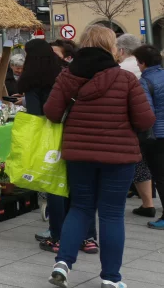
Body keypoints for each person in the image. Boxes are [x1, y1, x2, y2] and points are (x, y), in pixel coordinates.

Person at [44, 24, 154, 288]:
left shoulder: (67, 77)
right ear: (111, 48)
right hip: (119, 157)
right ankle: (111, 278)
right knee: (112, 215)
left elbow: (51, 112)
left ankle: (63, 263)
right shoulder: (126, 79)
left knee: (80, 208)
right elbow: (145, 119)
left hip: (79, 155)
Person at [17, 39, 97, 253]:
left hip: (51, 139)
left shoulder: (32, 79)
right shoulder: (66, 72)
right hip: (75, 134)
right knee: (80, 188)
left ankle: (58, 236)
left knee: (55, 187)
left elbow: (36, 115)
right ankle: (88, 237)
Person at [114, 33, 155, 218]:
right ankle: (148, 202)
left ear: (121, 50)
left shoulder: (121, 69)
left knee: (137, 163)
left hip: (131, 123)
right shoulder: (149, 68)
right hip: (152, 122)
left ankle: (147, 203)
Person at [133, 45, 164, 229]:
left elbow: (147, 113)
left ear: (143, 63)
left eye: (138, 62)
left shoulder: (145, 81)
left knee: (160, 175)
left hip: (157, 135)